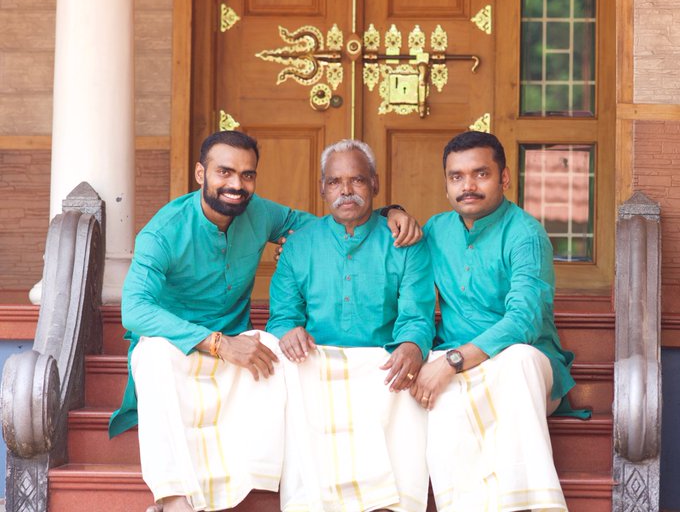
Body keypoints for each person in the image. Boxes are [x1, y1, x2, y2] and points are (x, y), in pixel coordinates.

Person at [107, 130, 421, 512]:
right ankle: (173, 497)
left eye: (247, 174)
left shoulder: (260, 212)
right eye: (224, 172)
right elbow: (135, 310)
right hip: (178, 342)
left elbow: (335, 223)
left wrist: (391, 212)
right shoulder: (164, 231)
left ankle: (246, 482)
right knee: (151, 355)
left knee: (274, 349)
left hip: (239, 339)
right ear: (200, 173)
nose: (236, 184)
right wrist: (219, 344)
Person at [412, 131, 579, 512]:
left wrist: (452, 362)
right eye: (456, 177)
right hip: (457, 362)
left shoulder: (525, 234)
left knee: (517, 359)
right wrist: (392, 211)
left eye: (480, 174)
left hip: (523, 364)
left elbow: (524, 320)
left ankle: (530, 505)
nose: (467, 186)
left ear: (503, 178)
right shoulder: (436, 230)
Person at [266, 139, 436, 512]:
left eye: (357, 181)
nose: (346, 191)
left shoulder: (404, 242)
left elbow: (417, 316)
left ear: (374, 184)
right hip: (316, 362)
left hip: (381, 362)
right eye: (334, 182)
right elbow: (281, 315)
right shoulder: (299, 245)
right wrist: (288, 331)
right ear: (322, 188)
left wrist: (411, 345)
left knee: (406, 381)